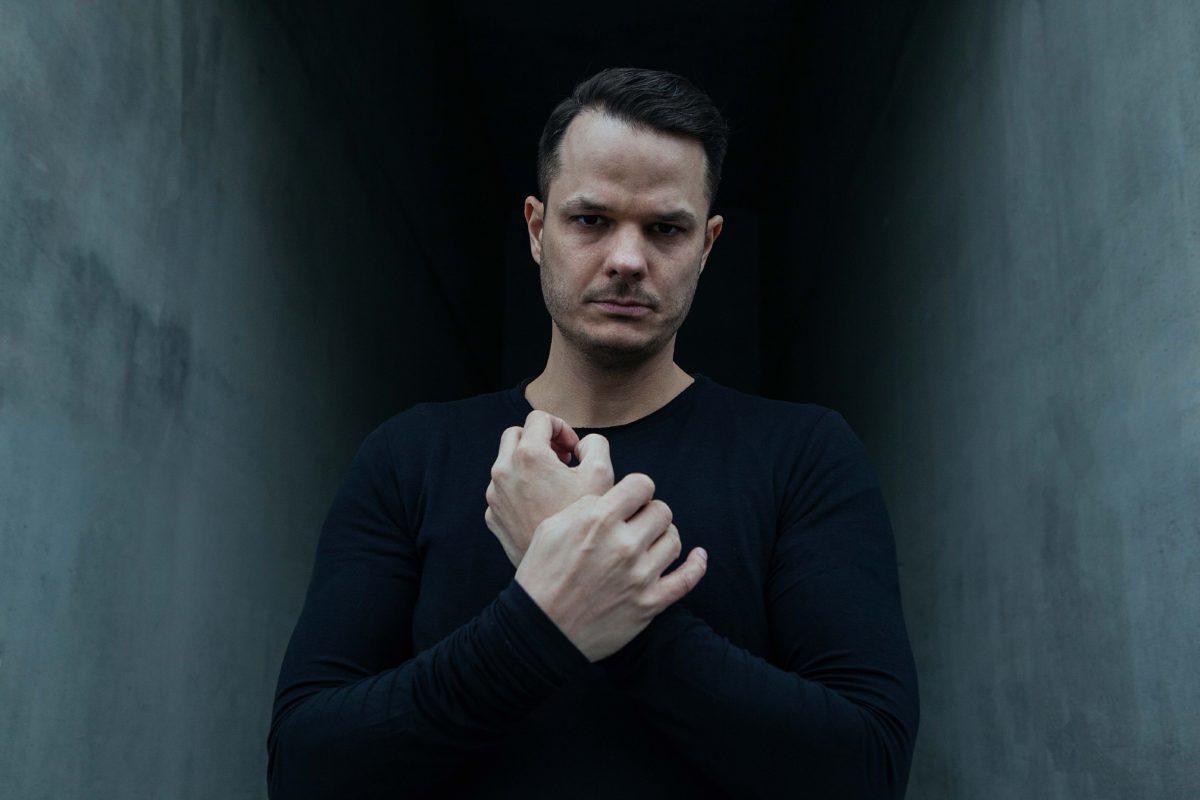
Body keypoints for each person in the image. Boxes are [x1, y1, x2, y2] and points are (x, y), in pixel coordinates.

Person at [267, 67, 919, 799]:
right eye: (591, 220)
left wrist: (623, 611)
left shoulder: (803, 456)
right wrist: (539, 621)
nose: (627, 260)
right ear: (536, 228)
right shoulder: (410, 456)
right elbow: (306, 770)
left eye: (665, 229)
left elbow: (865, 771)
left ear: (707, 245)